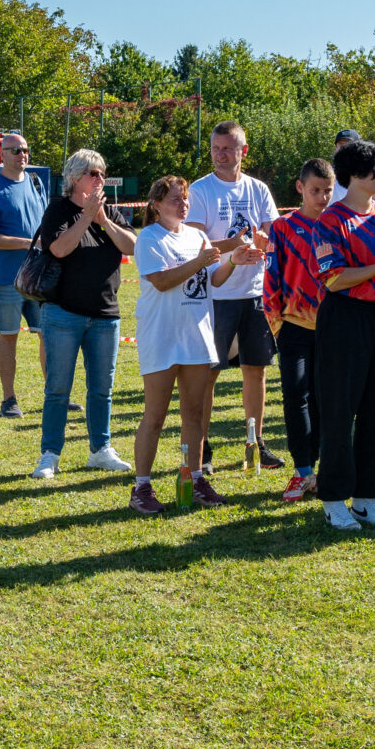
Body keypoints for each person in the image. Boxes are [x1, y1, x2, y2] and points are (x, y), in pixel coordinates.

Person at [131, 175, 259, 513]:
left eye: (185, 198)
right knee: (155, 416)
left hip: (197, 337)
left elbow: (213, 279)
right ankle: (141, 487)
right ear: (156, 205)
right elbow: (161, 281)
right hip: (162, 336)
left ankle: (196, 479)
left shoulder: (197, 236)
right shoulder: (148, 237)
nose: (183, 204)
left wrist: (233, 261)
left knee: (194, 414)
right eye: (175, 199)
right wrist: (199, 262)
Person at [313, 138, 375, 530]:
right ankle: (334, 498)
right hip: (345, 318)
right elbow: (334, 279)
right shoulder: (331, 220)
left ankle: (368, 497)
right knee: (339, 410)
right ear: (353, 173)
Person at [31, 150, 135, 478]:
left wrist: (103, 220)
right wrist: (86, 218)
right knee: (58, 388)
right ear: (75, 178)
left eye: (102, 173)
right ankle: (50, 455)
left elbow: (132, 246)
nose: (100, 179)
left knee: (102, 389)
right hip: (63, 313)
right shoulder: (59, 209)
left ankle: (100, 450)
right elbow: (59, 248)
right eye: (93, 173)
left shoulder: (110, 212)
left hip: (105, 314)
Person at [187, 120, 284, 471]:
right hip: (216, 296)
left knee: (256, 371)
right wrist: (233, 246)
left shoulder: (258, 189)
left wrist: (265, 242)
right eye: (215, 148)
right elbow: (193, 243)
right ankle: (203, 449)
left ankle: (256, 444)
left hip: (255, 293)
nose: (220, 155)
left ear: (244, 151)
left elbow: (273, 233)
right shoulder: (200, 190)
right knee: (208, 375)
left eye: (227, 149)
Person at [261, 158, 334, 501]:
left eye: (327, 191)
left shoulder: (338, 226)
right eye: (315, 190)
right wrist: (277, 324)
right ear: (300, 187)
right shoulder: (283, 227)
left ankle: (318, 470)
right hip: (292, 326)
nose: (322, 197)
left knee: (323, 399)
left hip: (332, 328)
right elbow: (271, 277)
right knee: (295, 396)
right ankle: (302, 471)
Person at [0, 130, 48, 418]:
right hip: (6, 277)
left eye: (25, 149)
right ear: (1, 155)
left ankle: (55, 395)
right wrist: (28, 243)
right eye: (15, 150)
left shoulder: (36, 183)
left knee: (48, 335)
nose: (22, 155)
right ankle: (9, 399)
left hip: (39, 276)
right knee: (9, 336)